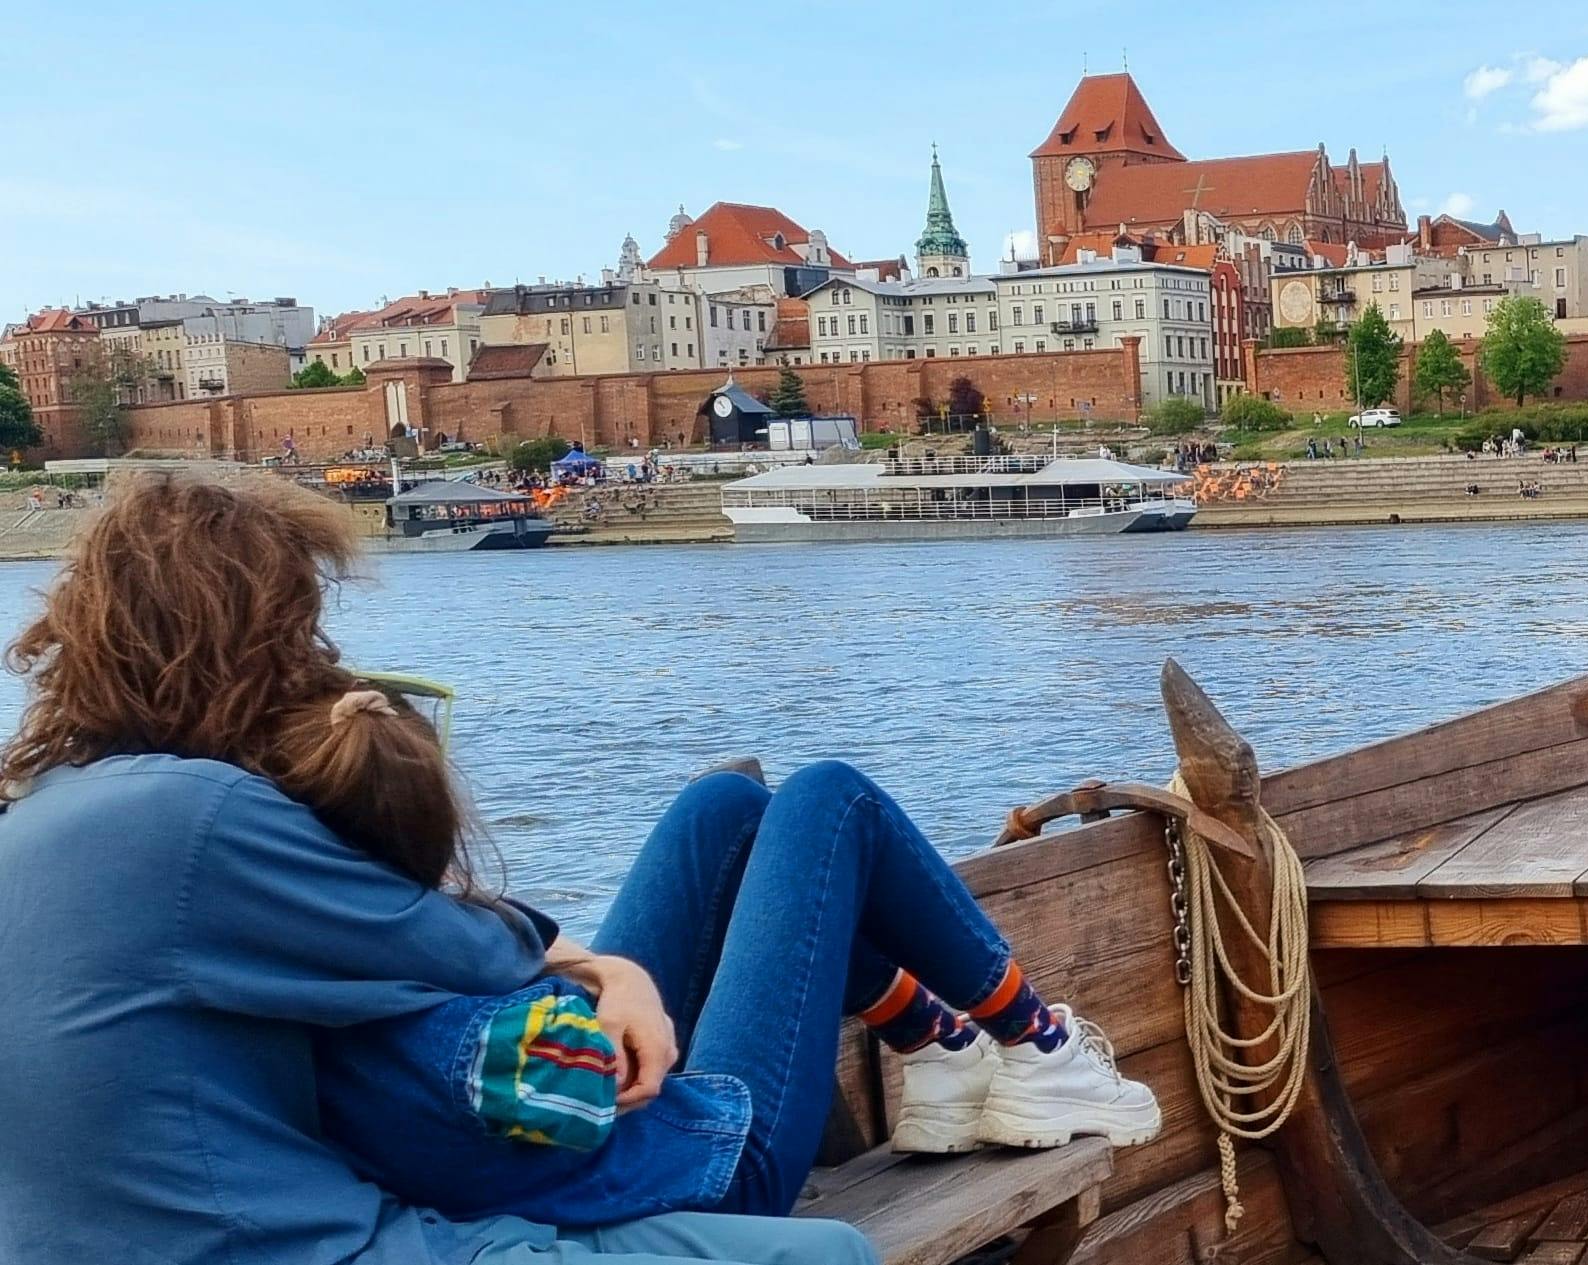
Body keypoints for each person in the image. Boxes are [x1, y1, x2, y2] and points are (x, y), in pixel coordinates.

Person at [0, 473, 1161, 1265]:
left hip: (490, 1143)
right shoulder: (200, 819)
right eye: (299, 624)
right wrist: (617, 973)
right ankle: (1034, 1045)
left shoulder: (63, 813)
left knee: (721, 809)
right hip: (591, 1172)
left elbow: (434, 931)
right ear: (246, 635)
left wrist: (599, 967)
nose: (318, 650)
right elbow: (453, 934)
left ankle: (939, 1045)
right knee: (823, 800)